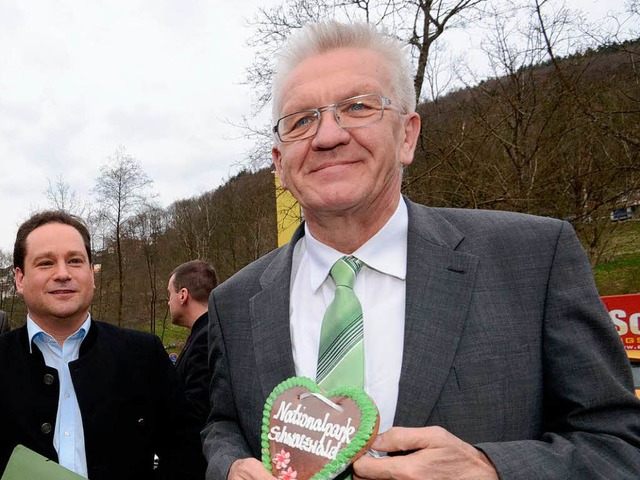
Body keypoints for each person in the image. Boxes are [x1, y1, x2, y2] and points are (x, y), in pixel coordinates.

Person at [202, 21, 640, 480]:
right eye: (301, 120)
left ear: (407, 136)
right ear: (279, 163)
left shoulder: (533, 259)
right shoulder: (234, 302)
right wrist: (230, 466)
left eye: (356, 107)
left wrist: (493, 471)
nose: (327, 136)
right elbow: (225, 423)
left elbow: (618, 444)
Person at [0, 210, 203, 480]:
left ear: (91, 275)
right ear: (20, 279)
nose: (63, 273)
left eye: (74, 261)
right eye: (46, 263)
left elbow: (187, 454)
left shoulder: (144, 356)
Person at [168, 259, 217, 428]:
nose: (168, 302)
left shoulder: (204, 340)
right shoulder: (210, 331)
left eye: (169, 295)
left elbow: (197, 413)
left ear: (183, 295)